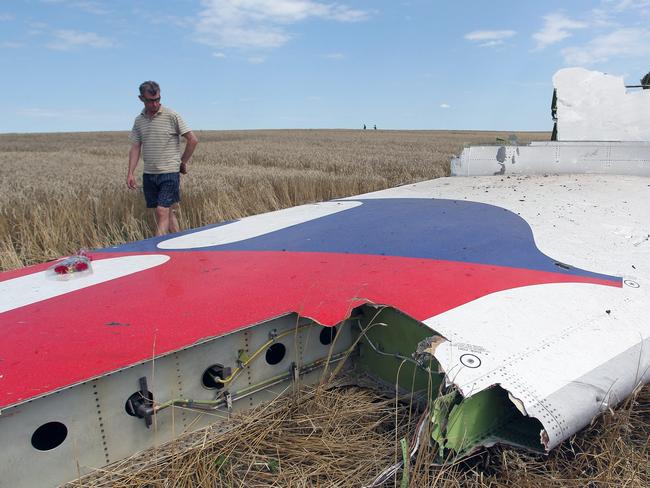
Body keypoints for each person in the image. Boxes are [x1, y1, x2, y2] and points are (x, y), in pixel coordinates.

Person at [126, 81, 199, 236]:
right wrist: (130, 173)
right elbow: (135, 147)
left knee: (161, 211)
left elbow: (192, 140)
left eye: (157, 99)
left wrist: (182, 162)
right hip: (150, 173)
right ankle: (181, 243)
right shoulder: (139, 121)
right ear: (141, 98)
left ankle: (157, 248)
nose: (155, 103)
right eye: (150, 100)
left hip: (169, 172)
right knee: (168, 213)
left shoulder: (172, 115)